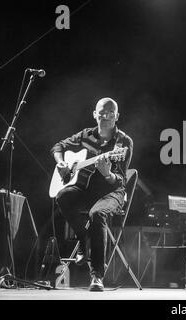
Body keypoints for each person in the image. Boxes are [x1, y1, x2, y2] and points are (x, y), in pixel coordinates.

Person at [51, 97, 133, 291]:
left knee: (97, 214)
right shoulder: (86, 135)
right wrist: (61, 162)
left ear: (117, 116)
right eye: (102, 113)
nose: (106, 117)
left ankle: (97, 276)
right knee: (62, 196)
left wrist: (108, 174)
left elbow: (120, 180)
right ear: (94, 114)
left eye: (110, 114)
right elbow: (58, 147)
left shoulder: (123, 143)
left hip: (112, 192)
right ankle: (83, 236)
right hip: (86, 188)